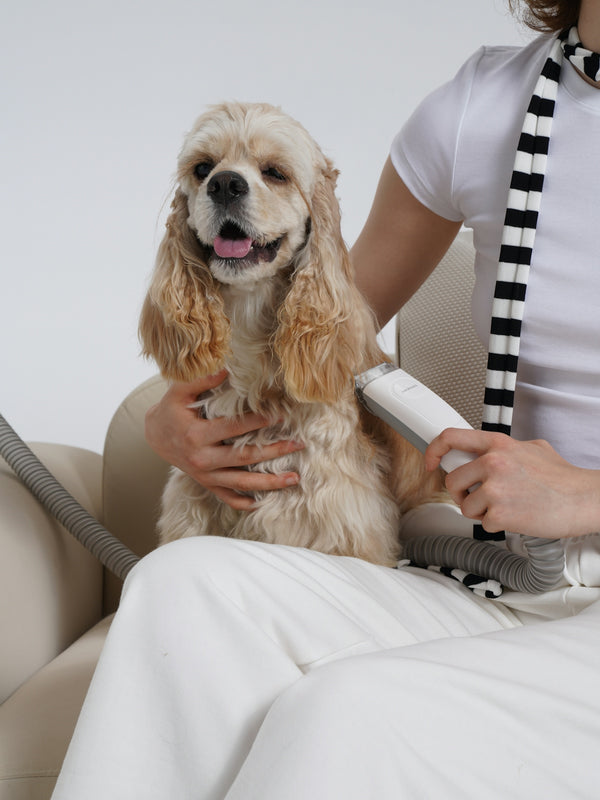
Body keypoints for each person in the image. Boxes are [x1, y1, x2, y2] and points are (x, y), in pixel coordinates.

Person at [52, 0, 600, 797]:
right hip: (509, 578)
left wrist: (586, 494)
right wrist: (172, 416)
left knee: (342, 708)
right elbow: (327, 331)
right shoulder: (485, 105)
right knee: (177, 584)